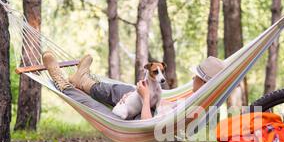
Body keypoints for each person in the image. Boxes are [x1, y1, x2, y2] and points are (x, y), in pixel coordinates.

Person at [42, 52, 225, 120]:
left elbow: (149, 124)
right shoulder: (195, 96)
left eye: (197, 77)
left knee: (97, 109)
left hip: (140, 123)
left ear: (204, 83)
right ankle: (84, 81)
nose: (193, 78)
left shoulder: (194, 106)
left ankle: (63, 84)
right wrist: (139, 94)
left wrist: (145, 97)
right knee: (123, 90)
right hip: (147, 107)